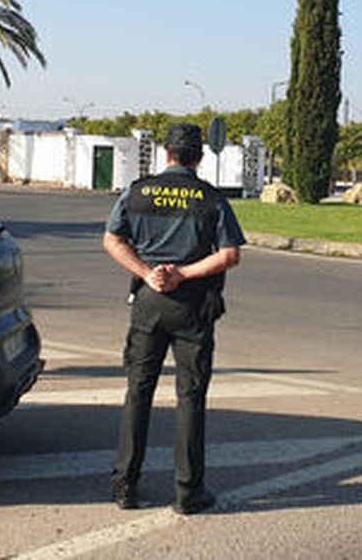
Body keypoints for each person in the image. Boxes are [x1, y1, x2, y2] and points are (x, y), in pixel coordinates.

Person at [103, 123, 244, 515]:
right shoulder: (210, 198)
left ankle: (124, 486)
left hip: (148, 300)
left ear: (166, 153)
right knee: (191, 396)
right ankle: (188, 492)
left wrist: (148, 272)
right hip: (192, 306)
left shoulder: (137, 191)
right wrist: (183, 273)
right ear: (199, 157)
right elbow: (230, 254)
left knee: (138, 392)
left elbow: (112, 240)